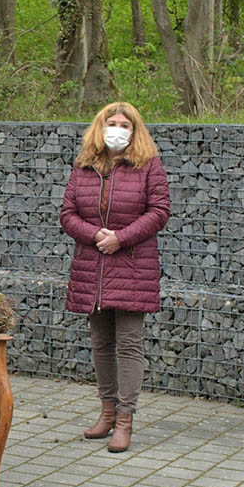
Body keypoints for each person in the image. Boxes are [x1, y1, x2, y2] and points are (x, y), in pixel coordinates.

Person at [60, 102, 170, 454]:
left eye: (125, 123)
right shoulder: (84, 166)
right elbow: (68, 213)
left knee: (129, 344)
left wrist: (121, 238)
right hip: (92, 266)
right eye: (112, 122)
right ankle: (106, 412)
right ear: (100, 126)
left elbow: (159, 211)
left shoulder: (149, 165)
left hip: (133, 266)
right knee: (101, 344)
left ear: (135, 130)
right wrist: (95, 236)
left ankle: (125, 420)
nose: (118, 128)